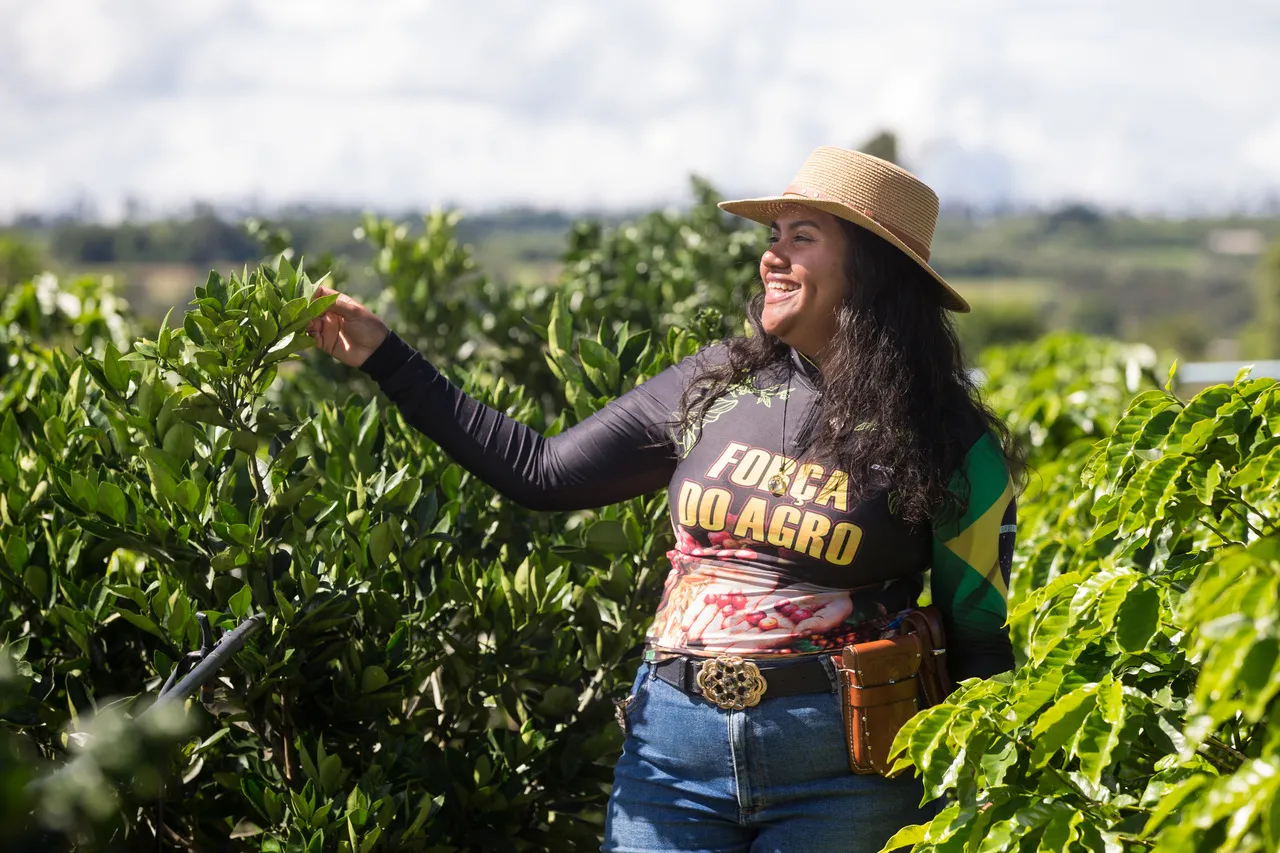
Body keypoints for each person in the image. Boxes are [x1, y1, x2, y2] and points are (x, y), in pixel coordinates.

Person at [306, 145, 1020, 853]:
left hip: (845, 766)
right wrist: (384, 356)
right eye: (773, 237)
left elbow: (979, 636)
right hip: (672, 755)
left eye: (802, 238)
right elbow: (541, 471)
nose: (772, 257)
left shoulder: (950, 441)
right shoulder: (715, 384)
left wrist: (984, 799)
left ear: (875, 268)